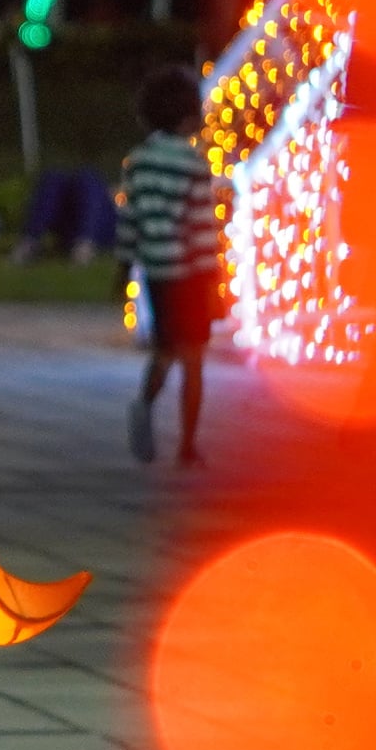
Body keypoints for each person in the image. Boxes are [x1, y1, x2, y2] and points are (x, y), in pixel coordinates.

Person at [121, 65, 228, 466]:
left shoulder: (138, 161)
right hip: (190, 275)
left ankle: (145, 404)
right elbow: (200, 228)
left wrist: (124, 266)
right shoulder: (193, 163)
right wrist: (212, 280)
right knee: (195, 360)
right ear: (188, 116)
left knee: (165, 351)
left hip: (157, 273)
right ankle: (187, 445)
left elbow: (129, 220)